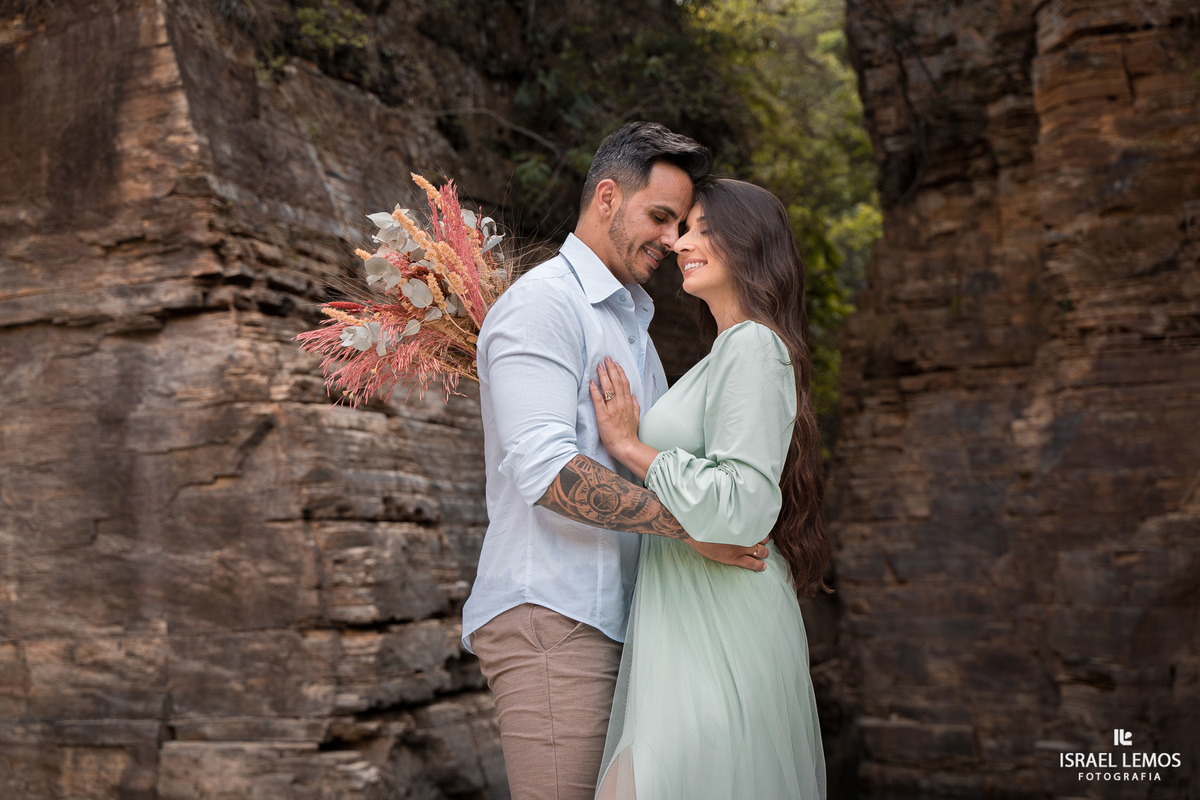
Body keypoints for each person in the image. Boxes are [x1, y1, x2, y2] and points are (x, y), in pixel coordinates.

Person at [462, 123, 771, 800]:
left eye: (681, 223)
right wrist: (695, 529)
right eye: (659, 217)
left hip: (627, 624)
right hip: (557, 619)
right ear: (606, 198)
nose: (672, 239)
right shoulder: (542, 307)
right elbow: (546, 471)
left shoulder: (631, 322)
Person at [589, 178, 831, 799]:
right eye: (681, 228)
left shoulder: (753, 347)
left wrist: (631, 447)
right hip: (687, 609)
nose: (679, 243)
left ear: (746, 243)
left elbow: (742, 504)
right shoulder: (725, 353)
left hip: (721, 616)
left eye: (699, 228)